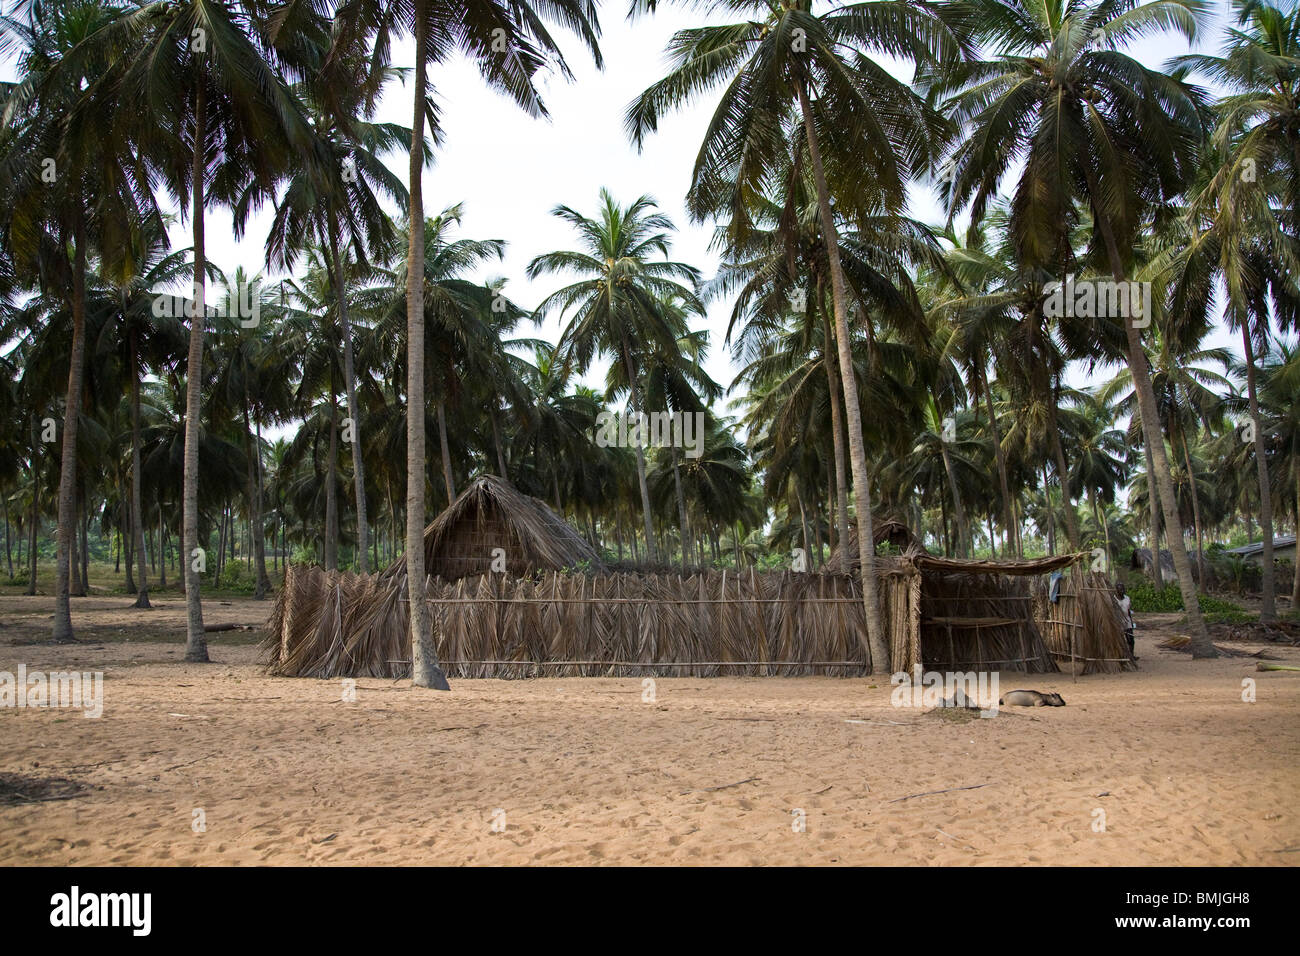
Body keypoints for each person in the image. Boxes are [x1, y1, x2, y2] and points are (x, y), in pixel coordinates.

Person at [1116, 581, 1137, 660]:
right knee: (1120, 640)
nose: (1122, 591)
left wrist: (1131, 622)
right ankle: (1120, 655)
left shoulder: (1127, 598)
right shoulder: (1114, 599)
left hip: (1127, 620)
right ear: (1117, 590)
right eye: (1120, 589)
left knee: (1131, 639)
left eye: (1123, 589)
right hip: (1118, 620)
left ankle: (1131, 655)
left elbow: (1128, 611)